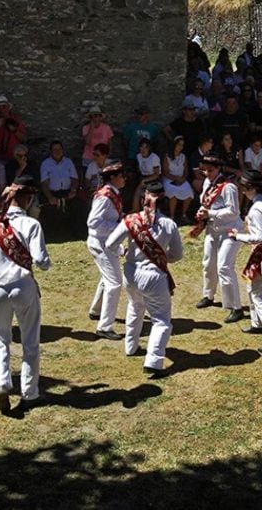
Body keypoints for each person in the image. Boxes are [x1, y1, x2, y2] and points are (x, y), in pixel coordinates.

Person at [0, 176, 51, 415]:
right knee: (30, 342)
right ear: (28, 199)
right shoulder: (32, 225)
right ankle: (30, 392)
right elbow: (41, 261)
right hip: (23, 285)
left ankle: (3, 382)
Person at [106, 180, 182, 376]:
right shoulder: (169, 224)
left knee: (135, 307)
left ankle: (130, 346)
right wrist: (163, 259)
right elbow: (177, 254)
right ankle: (154, 360)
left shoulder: (130, 221)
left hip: (131, 273)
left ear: (143, 199)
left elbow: (110, 243)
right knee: (161, 319)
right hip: (154, 275)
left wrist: (123, 251)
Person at [229, 170, 262, 354]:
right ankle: (256, 322)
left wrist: (238, 236)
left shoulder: (257, 209)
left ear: (252, 188)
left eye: (244, 188)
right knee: (252, 287)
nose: (242, 192)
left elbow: (260, 237)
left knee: (260, 296)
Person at [191, 154, 243, 322]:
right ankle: (209, 295)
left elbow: (234, 211)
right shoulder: (208, 183)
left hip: (230, 231)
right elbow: (206, 202)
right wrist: (202, 211)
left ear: (219, 169)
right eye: (204, 170)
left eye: (210, 170)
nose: (207, 173)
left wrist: (210, 213)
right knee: (208, 263)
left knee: (224, 267)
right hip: (213, 229)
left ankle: (236, 306)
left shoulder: (229, 187)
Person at [85, 160, 126, 341]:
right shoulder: (104, 196)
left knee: (107, 278)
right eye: (121, 176)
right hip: (101, 243)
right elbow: (93, 222)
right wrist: (118, 225)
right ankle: (105, 326)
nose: (124, 178)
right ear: (113, 178)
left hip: (107, 241)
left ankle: (96, 310)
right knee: (115, 283)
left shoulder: (112, 193)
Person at [0, 95, 28, 161]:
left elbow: (24, 139)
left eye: (4, 106)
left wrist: (14, 130)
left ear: (8, 107)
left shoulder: (16, 120)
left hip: (13, 157)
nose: (2, 109)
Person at [161, 137, 194, 223]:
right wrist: (176, 178)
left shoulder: (183, 157)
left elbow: (186, 171)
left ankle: (183, 214)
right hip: (169, 179)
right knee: (173, 194)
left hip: (181, 179)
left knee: (189, 192)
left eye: (182, 145)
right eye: (179, 144)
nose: (181, 147)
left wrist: (183, 179)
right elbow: (166, 172)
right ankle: (172, 216)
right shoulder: (167, 156)